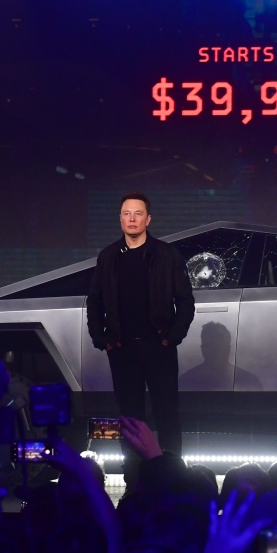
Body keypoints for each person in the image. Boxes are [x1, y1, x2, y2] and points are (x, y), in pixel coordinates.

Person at [86, 191, 195, 486]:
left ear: (148, 219)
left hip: (158, 348)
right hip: (122, 350)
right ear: (120, 218)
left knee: (166, 414)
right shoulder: (108, 256)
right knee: (130, 418)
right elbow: (94, 300)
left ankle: (173, 480)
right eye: (126, 213)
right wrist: (102, 339)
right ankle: (134, 482)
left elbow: (185, 301)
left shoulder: (166, 254)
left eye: (137, 214)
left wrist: (170, 338)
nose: (132, 219)